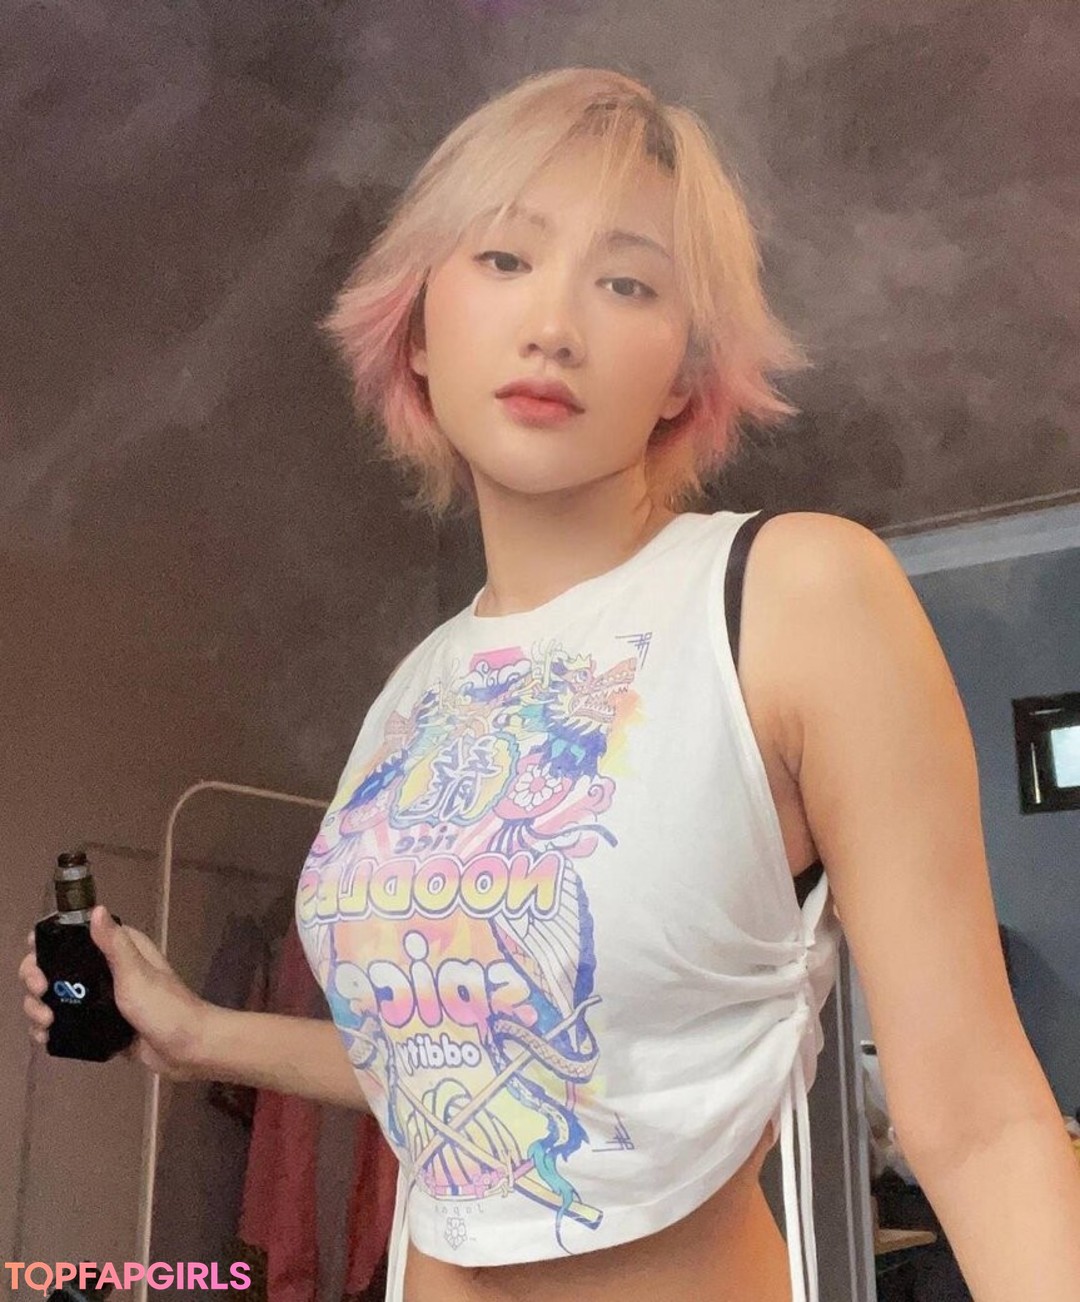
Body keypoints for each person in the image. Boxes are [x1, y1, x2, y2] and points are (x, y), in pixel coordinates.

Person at [20, 66, 1080, 1302]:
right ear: (420, 329)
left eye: (626, 282)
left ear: (683, 370)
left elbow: (981, 1121)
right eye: (505, 259)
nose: (555, 324)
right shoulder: (417, 691)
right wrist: (198, 1034)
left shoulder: (794, 596)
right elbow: (476, 1065)